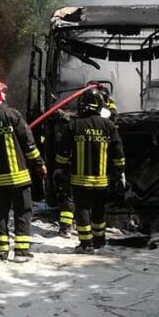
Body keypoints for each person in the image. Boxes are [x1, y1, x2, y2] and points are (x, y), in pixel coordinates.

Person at [0, 79, 45, 262]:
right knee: (22, 211)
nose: (5, 95)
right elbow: (29, 144)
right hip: (18, 177)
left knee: (1, 214)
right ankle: (21, 252)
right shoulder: (12, 115)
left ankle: (1, 252)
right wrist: (39, 163)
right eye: (2, 92)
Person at [55, 88, 125, 253]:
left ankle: (86, 244)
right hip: (101, 179)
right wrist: (119, 171)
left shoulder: (74, 125)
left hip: (79, 180)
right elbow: (118, 152)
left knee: (82, 210)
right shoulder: (109, 126)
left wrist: (60, 170)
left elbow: (63, 152)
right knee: (99, 209)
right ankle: (99, 240)